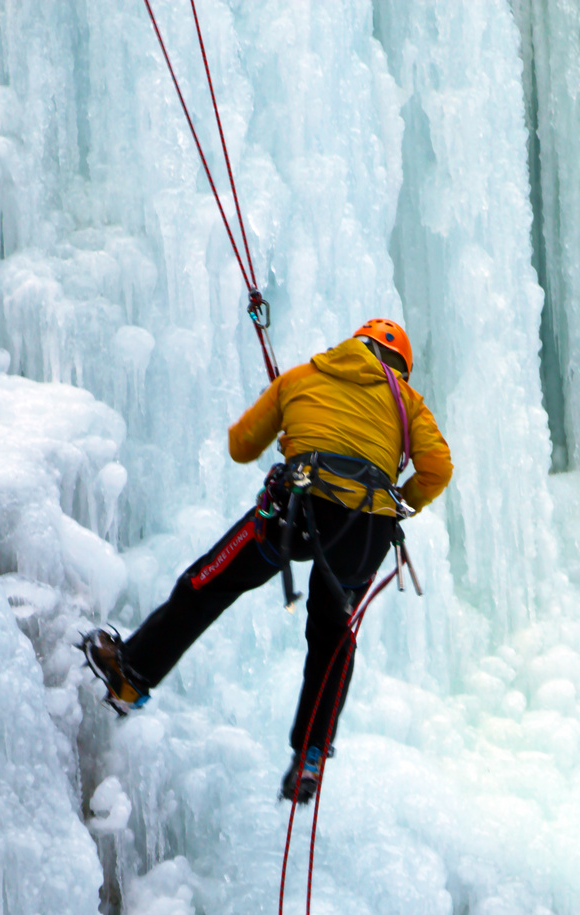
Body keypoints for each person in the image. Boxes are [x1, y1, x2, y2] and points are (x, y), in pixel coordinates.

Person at [81, 319, 452, 803]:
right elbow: (438, 468)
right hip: (364, 532)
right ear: (399, 367)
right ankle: (310, 757)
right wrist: (402, 500)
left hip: (298, 512)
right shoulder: (408, 402)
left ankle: (129, 679)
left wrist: (285, 421)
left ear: (349, 346)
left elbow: (239, 448)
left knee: (207, 584)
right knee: (331, 636)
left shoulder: (300, 378)